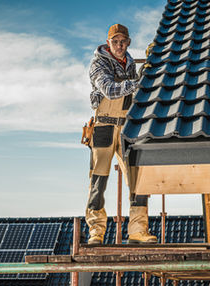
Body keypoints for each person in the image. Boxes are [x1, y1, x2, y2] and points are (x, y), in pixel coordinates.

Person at [86, 23, 157, 245]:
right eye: (115, 41)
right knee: (99, 181)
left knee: (138, 178)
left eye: (123, 41)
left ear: (128, 43)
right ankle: (96, 231)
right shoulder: (98, 64)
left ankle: (137, 229)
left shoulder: (129, 65)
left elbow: (133, 94)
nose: (119, 45)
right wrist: (138, 83)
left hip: (126, 126)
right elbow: (109, 89)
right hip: (104, 126)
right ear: (108, 43)